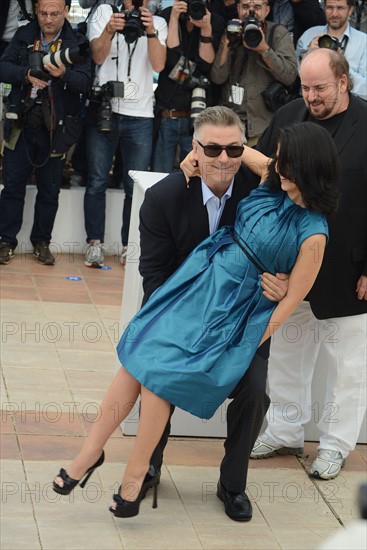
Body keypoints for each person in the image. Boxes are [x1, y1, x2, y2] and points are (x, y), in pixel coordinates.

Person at [52, 107, 340, 519]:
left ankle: (131, 471)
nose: (278, 164)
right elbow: (242, 154)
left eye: (287, 160)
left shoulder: (313, 232)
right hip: (196, 287)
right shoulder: (270, 181)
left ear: (308, 167)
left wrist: (243, 344)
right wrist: (197, 155)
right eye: (279, 158)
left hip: (237, 318)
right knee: (140, 358)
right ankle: (97, 456)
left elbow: (289, 304)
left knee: (157, 369)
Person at [140, 107, 288, 521]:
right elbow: (154, 277)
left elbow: (295, 182)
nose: (223, 159)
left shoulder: (262, 190)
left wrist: (285, 282)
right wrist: (191, 326)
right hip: (180, 318)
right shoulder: (165, 197)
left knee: (256, 390)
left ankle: (233, 484)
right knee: (156, 377)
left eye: (233, 149)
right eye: (212, 149)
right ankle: (150, 464)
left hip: (244, 322)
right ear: (194, 148)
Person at [251, 48, 367, 480]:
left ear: (343, 82)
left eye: (320, 88)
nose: (312, 97)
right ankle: (284, 431)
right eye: (305, 86)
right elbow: (264, 178)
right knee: (286, 353)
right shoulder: (289, 115)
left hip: (349, 269)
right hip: (290, 266)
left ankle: (336, 446)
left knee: (348, 366)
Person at [0, 0, 91, 266]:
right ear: (36, 11)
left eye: (54, 13)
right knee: (13, 186)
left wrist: (63, 74)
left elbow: (85, 82)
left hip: (57, 128)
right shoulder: (24, 34)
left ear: (65, 11)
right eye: (43, 13)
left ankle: (42, 242)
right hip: (22, 123)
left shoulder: (76, 42)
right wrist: (26, 74)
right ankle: (5, 240)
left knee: (50, 189)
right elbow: (3, 67)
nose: (48, 19)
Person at [83, 0, 167, 268]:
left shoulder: (158, 22)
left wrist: (150, 31)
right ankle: (94, 244)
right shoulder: (105, 12)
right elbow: (97, 56)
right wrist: (109, 30)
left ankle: (129, 246)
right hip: (105, 109)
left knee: (134, 187)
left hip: (140, 115)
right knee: (97, 181)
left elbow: (159, 65)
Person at [150, 0, 225, 173]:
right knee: (159, 178)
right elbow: (170, 58)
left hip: (197, 117)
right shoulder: (166, 16)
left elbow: (206, 65)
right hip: (167, 113)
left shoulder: (214, 21)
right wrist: (175, 18)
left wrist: (206, 30)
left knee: (194, 178)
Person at [210, 0, 297, 146]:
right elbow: (217, 78)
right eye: (245, 7)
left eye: (257, 7)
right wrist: (228, 44)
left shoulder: (278, 33)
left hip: (265, 126)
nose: (250, 12)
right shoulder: (232, 31)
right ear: (238, 9)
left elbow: (289, 76)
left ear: (267, 10)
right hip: (233, 125)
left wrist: (264, 50)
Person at [296, 0, 367, 101]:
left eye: (340, 8)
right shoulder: (308, 35)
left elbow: (365, 90)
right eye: (330, 7)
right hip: (312, 103)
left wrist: (340, 66)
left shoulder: (363, 42)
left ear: (350, 9)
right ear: (324, 8)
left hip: (348, 108)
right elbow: (297, 75)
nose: (334, 14)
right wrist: (309, 55)